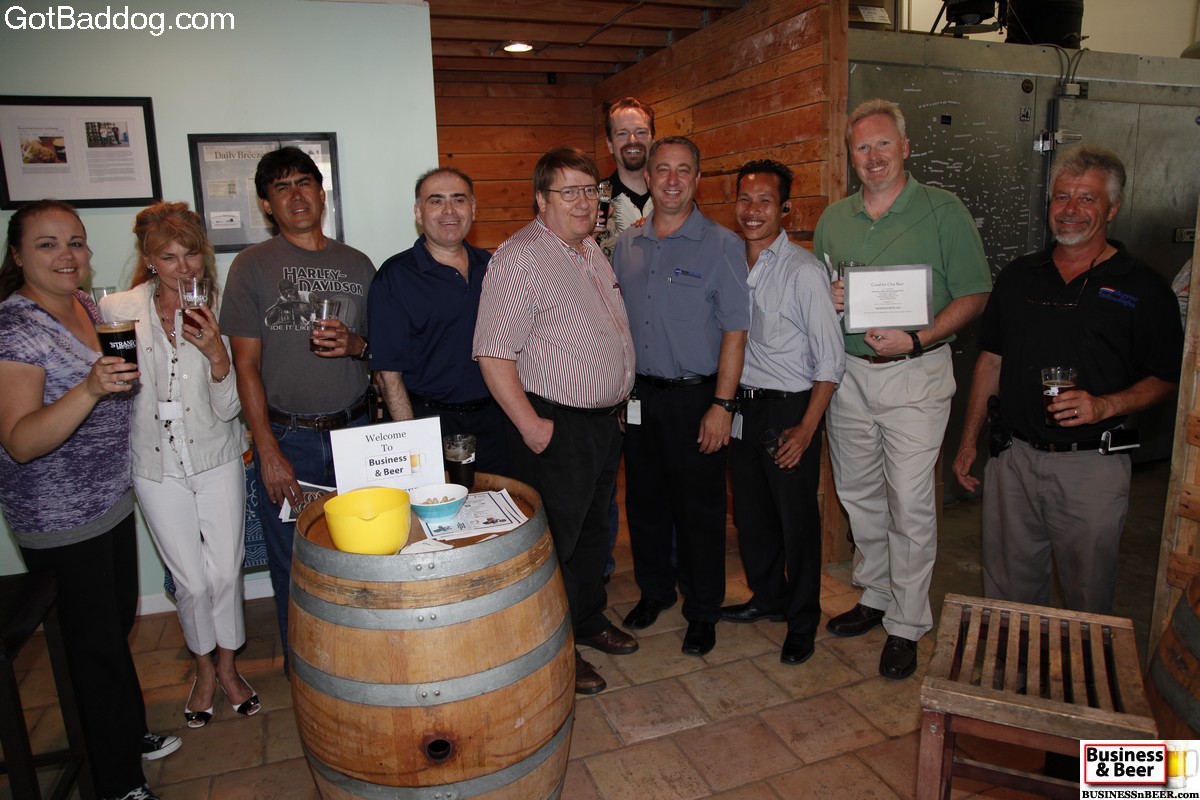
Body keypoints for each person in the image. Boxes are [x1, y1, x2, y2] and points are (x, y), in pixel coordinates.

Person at [952, 145, 1182, 614]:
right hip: (1014, 459)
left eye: (1087, 198)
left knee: (1086, 597)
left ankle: (1077, 665)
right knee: (1008, 593)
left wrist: (1105, 405)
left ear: (1112, 208)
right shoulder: (1019, 276)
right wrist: (969, 440)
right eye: (1061, 197)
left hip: (1092, 466)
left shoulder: (1142, 286)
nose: (1070, 209)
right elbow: (991, 360)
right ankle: (1015, 660)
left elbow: (1167, 376)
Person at [0, 200, 178, 800]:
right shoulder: (15, 329)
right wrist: (89, 388)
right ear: (17, 254)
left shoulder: (84, 304)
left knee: (114, 627)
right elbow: (20, 440)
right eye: (47, 244)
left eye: (75, 242)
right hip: (58, 516)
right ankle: (115, 780)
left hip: (108, 499)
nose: (66, 255)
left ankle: (124, 733)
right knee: (92, 647)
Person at [814, 99, 991, 680]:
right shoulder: (834, 219)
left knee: (910, 502)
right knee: (858, 493)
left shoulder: (943, 210)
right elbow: (821, 291)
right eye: (862, 147)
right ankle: (875, 593)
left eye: (883, 144)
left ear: (906, 148)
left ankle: (908, 623)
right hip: (850, 374)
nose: (873, 157)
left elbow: (974, 294)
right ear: (851, 157)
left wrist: (918, 337)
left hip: (917, 373)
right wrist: (829, 298)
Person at [473, 146, 638, 695]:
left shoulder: (590, 251)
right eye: (569, 192)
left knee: (592, 537)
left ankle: (586, 620)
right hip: (554, 426)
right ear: (541, 199)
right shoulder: (520, 258)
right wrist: (530, 425)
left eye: (591, 190)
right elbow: (493, 353)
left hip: (600, 424)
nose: (584, 202)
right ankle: (555, 648)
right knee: (554, 546)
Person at [101, 202, 259, 729]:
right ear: (149, 259)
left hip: (215, 455)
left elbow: (231, 409)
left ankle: (229, 668)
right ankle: (204, 671)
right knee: (189, 581)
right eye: (168, 257)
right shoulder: (117, 309)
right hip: (153, 463)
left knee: (225, 570)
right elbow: (114, 392)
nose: (182, 267)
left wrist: (218, 355)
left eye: (190, 253)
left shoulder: (222, 305)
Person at [220, 147, 375, 670]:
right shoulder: (251, 266)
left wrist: (356, 345)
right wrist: (267, 450)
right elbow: (245, 367)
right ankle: (307, 672)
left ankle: (362, 664)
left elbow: (380, 350)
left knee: (363, 555)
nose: (296, 195)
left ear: (321, 192)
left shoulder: (358, 264)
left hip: (356, 433)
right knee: (295, 562)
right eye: (281, 187)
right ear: (267, 204)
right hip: (290, 441)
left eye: (304, 182)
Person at [611, 136, 749, 657]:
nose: (672, 180)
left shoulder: (722, 245)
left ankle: (703, 608)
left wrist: (723, 405)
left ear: (697, 179)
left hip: (698, 400)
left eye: (683, 170)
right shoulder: (627, 245)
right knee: (644, 503)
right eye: (662, 170)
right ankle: (655, 591)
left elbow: (736, 330)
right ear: (647, 177)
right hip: (640, 397)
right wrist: (620, 393)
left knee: (700, 512)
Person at [722, 160, 844, 665]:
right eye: (745, 199)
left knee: (797, 522)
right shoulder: (729, 263)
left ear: (785, 209)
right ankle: (768, 597)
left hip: (790, 410)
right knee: (751, 516)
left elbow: (831, 361)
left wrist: (806, 428)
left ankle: (803, 618)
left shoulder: (804, 271)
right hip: (742, 407)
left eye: (765, 201)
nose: (753, 210)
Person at [369, 167, 508, 475]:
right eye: (436, 201)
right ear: (419, 213)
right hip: (429, 424)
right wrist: (413, 445)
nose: (449, 210)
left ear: (473, 208)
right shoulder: (395, 277)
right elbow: (389, 375)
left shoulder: (493, 266)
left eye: (458, 199)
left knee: (502, 501)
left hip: (496, 421)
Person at [595, 96, 655, 259]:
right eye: (622, 133)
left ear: (653, 140)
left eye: (641, 132)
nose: (632, 140)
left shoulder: (673, 195)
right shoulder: (594, 199)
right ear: (609, 144)